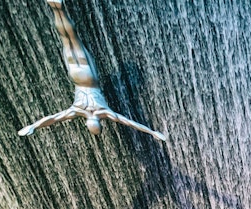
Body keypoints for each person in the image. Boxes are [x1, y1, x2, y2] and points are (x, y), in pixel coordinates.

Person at [19, 0, 165, 140]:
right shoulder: (77, 110)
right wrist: (33, 126)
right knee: (66, 40)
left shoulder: (103, 112)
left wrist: (152, 132)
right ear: (87, 124)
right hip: (75, 75)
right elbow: (54, 118)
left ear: (98, 123)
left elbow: (128, 122)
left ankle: (59, 8)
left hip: (89, 76)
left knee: (73, 38)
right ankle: (56, 9)